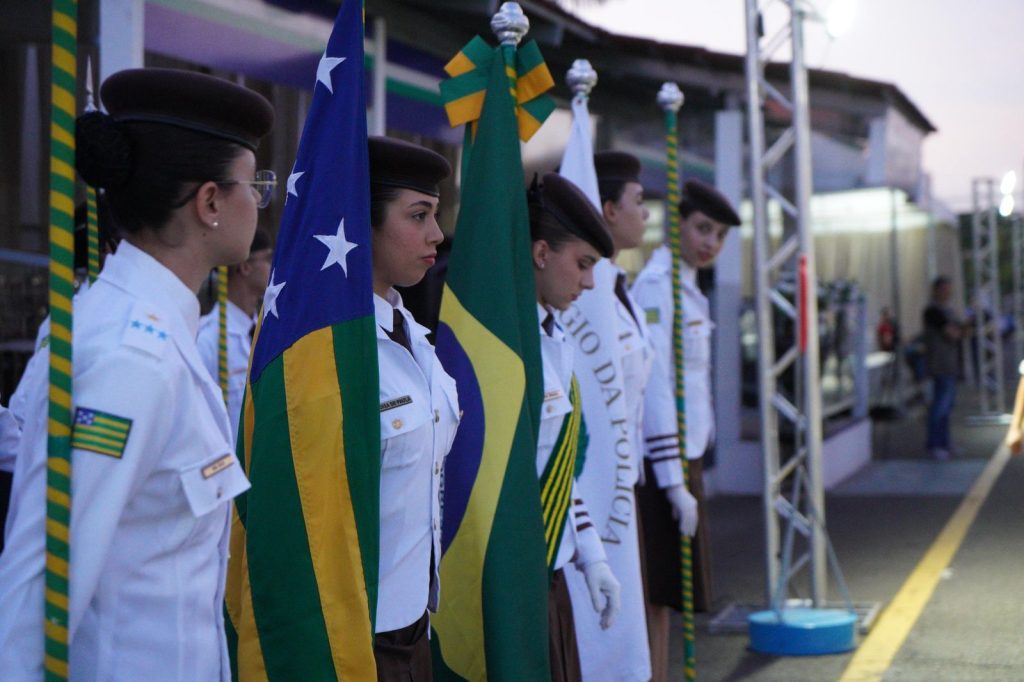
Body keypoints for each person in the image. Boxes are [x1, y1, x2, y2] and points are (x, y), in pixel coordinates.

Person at [0, 68, 274, 680]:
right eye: (253, 184)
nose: (259, 201)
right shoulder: (133, 356)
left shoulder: (154, 328)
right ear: (209, 202)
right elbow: (44, 581)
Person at [632, 177, 741, 679]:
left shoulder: (689, 286)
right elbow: (654, 386)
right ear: (676, 224)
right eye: (701, 228)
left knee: (671, 592)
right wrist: (673, 479)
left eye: (718, 235)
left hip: (685, 454)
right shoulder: (658, 288)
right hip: (663, 458)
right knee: (659, 589)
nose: (709, 243)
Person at [367, 136, 461, 680]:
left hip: (414, 618)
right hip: (360, 630)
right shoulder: (331, 349)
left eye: (436, 214)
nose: (437, 234)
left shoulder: (412, 334)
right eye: (418, 215)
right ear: (363, 223)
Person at [528, 172, 622, 681]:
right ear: (541, 252)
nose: (588, 282)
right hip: (517, 577)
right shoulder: (505, 348)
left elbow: (558, 470)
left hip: (553, 568)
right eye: (583, 264)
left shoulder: (552, 336)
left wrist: (592, 557)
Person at [196, 228, 274, 444]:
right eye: (268, 259)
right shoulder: (209, 338)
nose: (274, 267)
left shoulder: (265, 331)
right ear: (245, 266)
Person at [922, 275, 964, 460]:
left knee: (946, 408)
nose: (948, 293)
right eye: (945, 289)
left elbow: (959, 332)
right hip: (940, 365)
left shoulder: (949, 311)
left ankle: (944, 443)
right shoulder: (933, 312)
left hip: (950, 365)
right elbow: (953, 333)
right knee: (940, 406)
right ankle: (935, 444)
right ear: (937, 290)